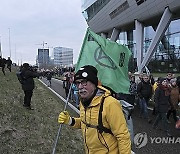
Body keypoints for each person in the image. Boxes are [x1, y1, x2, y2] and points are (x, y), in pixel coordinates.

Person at [58, 65, 131, 154]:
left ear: (94, 84)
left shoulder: (110, 104)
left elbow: (123, 136)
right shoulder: (83, 102)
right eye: (77, 83)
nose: (80, 86)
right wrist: (70, 121)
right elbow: (86, 123)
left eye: (84, 82)